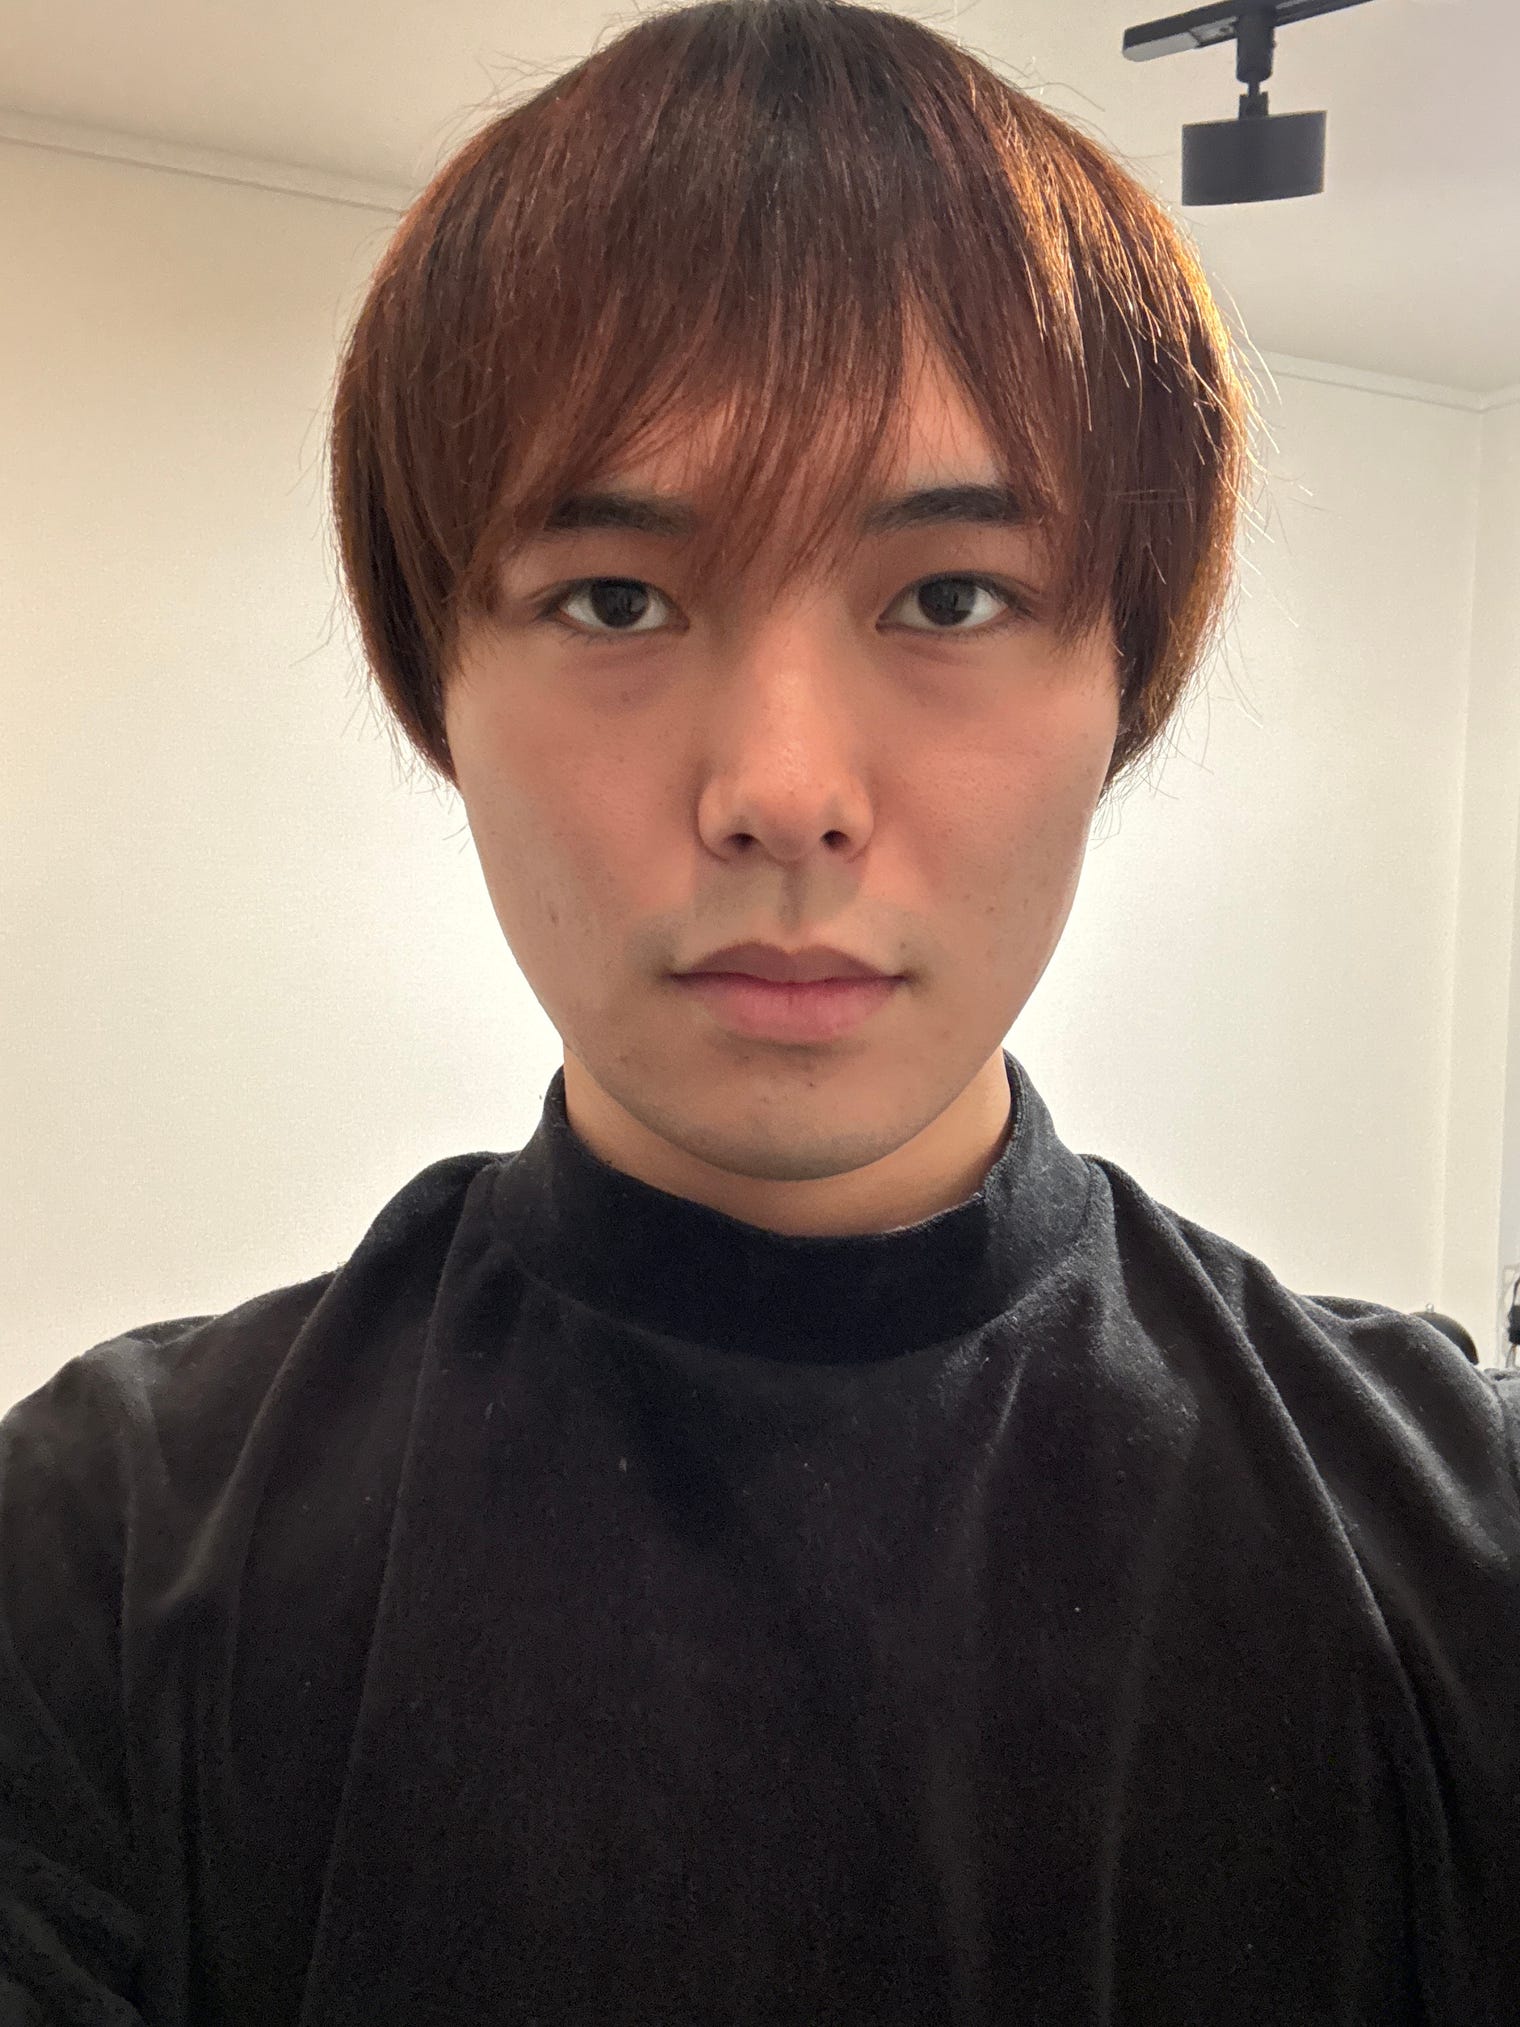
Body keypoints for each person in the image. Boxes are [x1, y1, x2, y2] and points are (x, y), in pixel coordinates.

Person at [4, 1, 1517, 2020]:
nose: (783, 790)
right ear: (435, 682)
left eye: (950, 596)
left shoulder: (1461, 1542)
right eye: (616, 600)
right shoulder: (102, 1557)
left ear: (1125, 683)